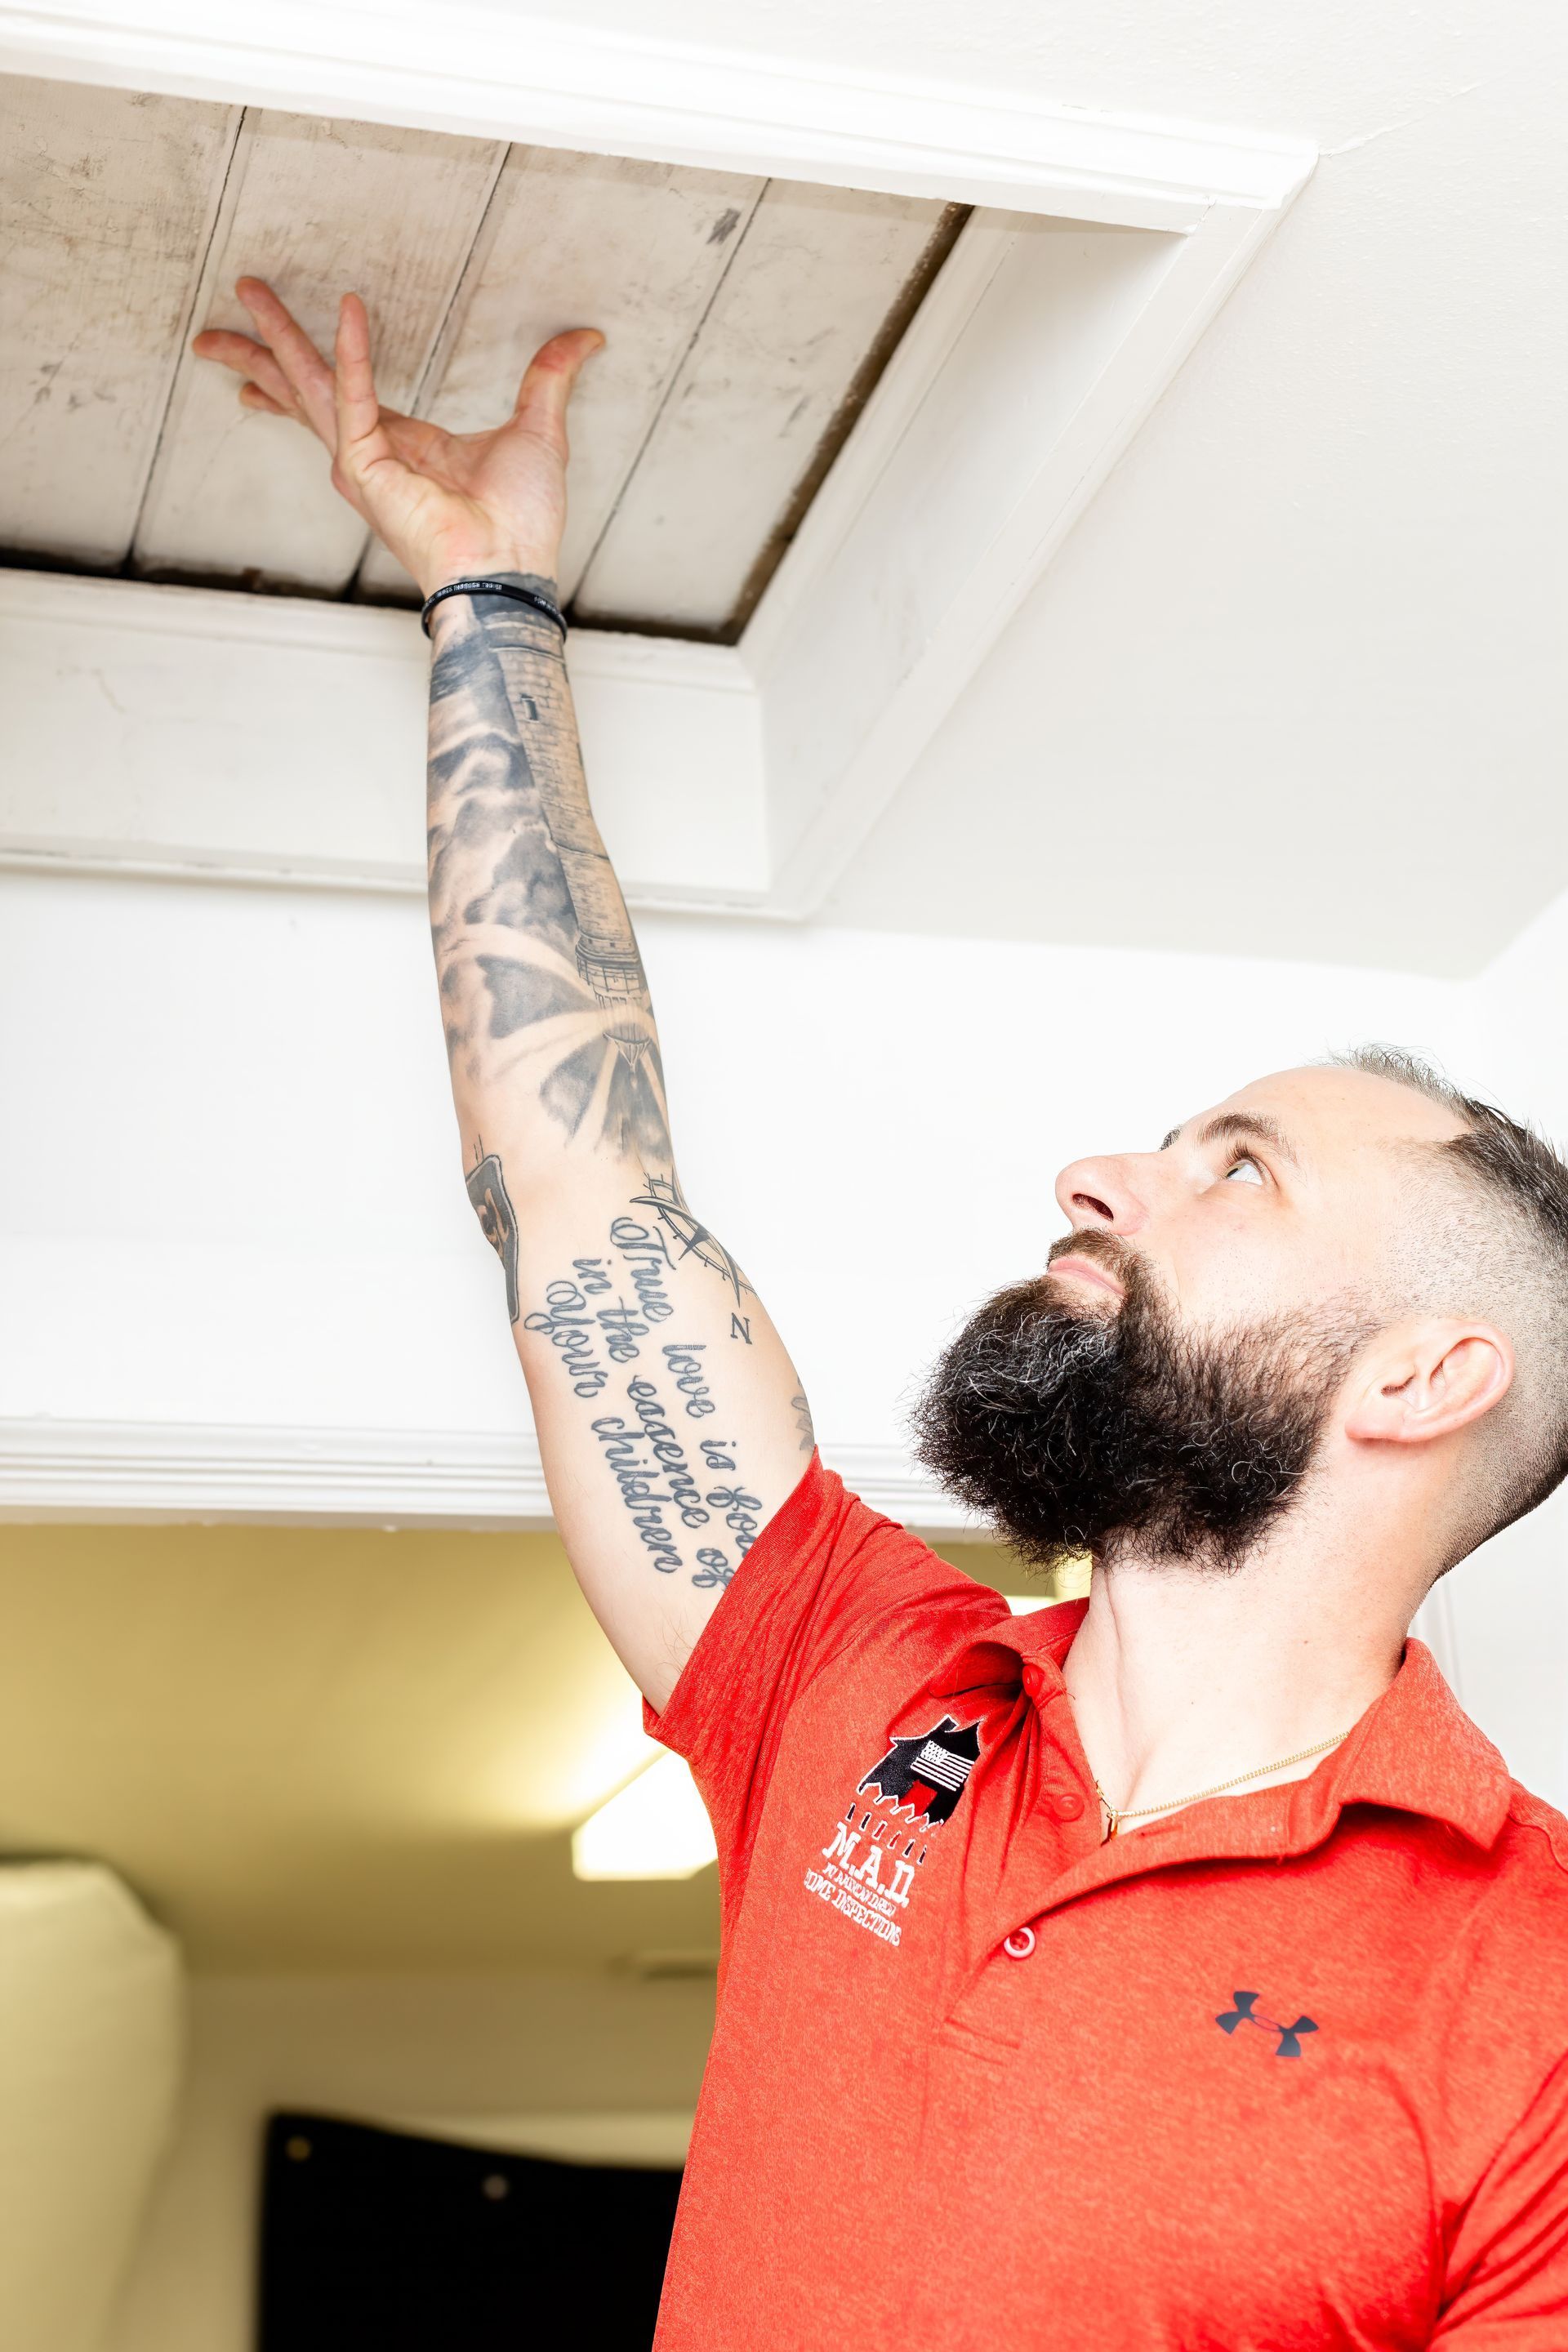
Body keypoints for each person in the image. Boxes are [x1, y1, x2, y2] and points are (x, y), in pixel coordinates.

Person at [195, 287, 1568, 2347]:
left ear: (1426, 1374)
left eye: (1239, 1170)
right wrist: (488, 596)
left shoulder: (1531, 1988)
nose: (1100, 1177)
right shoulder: (859, 1688)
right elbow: (580, 1199)